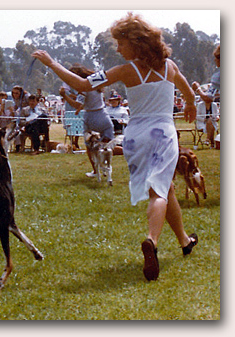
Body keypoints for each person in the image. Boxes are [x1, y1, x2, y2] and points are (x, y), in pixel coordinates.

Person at [32, 12, 198, 282]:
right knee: (160, 193)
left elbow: (83, 84)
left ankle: (184, 241)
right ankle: (152, 241)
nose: (118, 48)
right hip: (163, 133)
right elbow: (187, 91)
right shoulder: (170, 66)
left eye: (120, 43)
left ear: (136, 43)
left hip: (135, 136)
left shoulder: (125, 71)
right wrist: (190, 104)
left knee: (165, 188)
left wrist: (52, 63)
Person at [58, 63, 114, 177]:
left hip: (92, 119)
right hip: (104, 117)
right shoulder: (95, 84)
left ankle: (95, 170)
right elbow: (86, 101)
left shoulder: (83, 88)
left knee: (90, 147)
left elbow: (76, 104)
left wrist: (64, 96)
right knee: (107, 146)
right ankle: (107, 167)